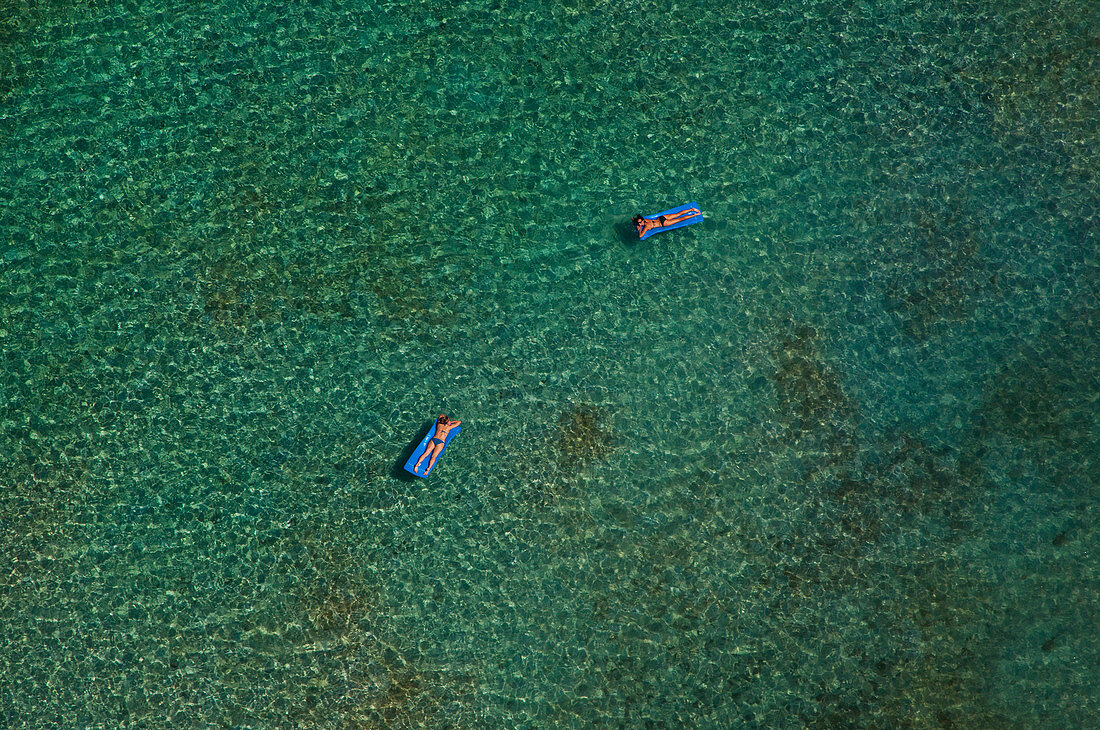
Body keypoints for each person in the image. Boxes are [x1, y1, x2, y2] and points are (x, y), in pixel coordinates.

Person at [632, 206, 701, 238]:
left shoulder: (646, 226)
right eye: (639, 223)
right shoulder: (645, 219)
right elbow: (635, 219)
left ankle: (695, 215)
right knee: (677, 214)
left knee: (680, 219)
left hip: (663, 223)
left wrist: (639, 228)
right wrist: (634, 220)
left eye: (640, 222)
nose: (640, 223)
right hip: (662, 217)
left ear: (641, 221)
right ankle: (691, 209)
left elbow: (640, 236)